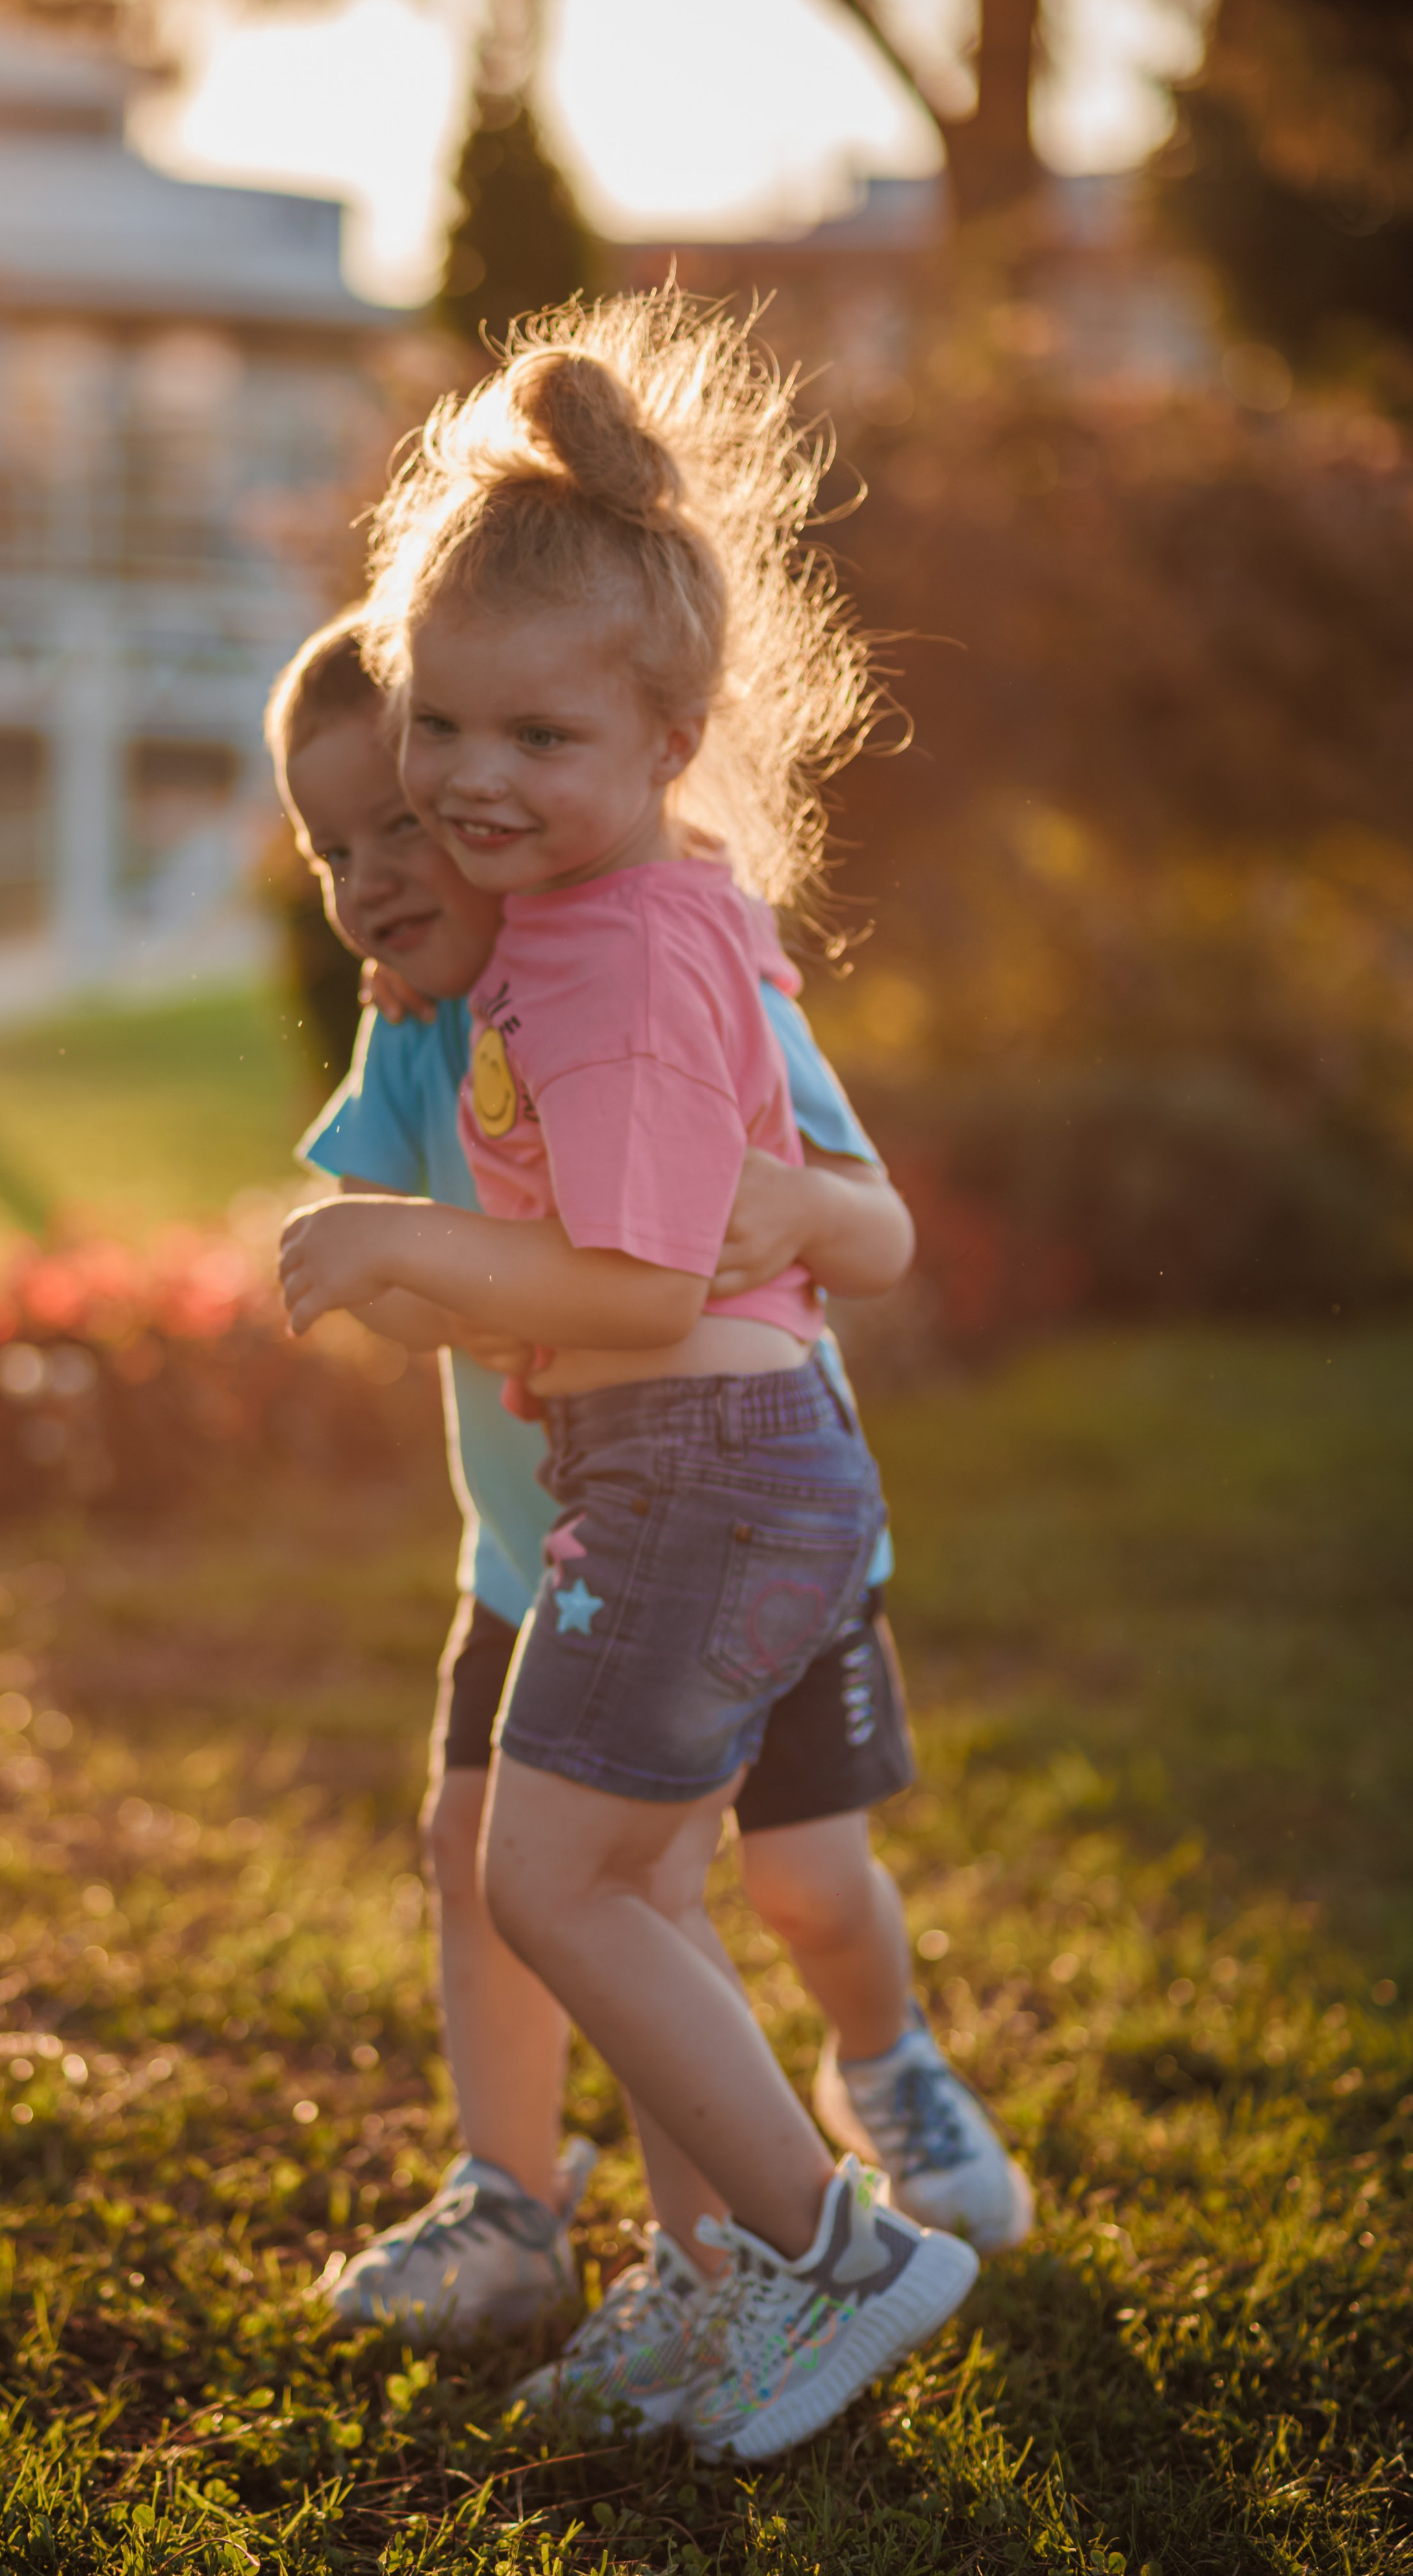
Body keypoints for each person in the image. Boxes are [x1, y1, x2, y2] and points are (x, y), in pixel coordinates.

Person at [277, 294, 997, 2462]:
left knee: (562, 1882)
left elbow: (647, 1274)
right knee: (607, 1885)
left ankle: (834, 2252)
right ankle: (712, 2282)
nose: (465, 784)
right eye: (441, 728)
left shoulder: (610, 958)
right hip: (669, 1475)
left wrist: (412, 1249)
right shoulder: (594, 940)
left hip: (708, 1465)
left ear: (664, 741)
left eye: (534, 737)